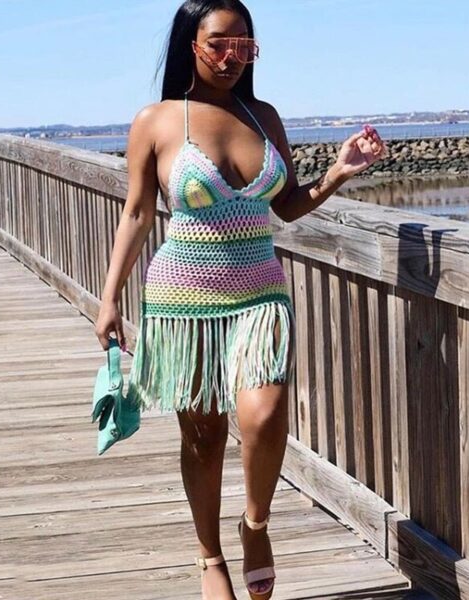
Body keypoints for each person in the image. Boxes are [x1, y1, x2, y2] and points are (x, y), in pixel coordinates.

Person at [95, 1, 388, 598]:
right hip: (183, 303)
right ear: (191, 44)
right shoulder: (156, 120)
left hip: (260, 295)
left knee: (265, 414)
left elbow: (286, 206)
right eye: (219, 44)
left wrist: (338, 171)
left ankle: (255, 525)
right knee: (203, 436)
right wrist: (109, 300)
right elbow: (137, 213)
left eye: (244, 46)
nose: (232, 57)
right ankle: (210, 557)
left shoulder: (264, 116)